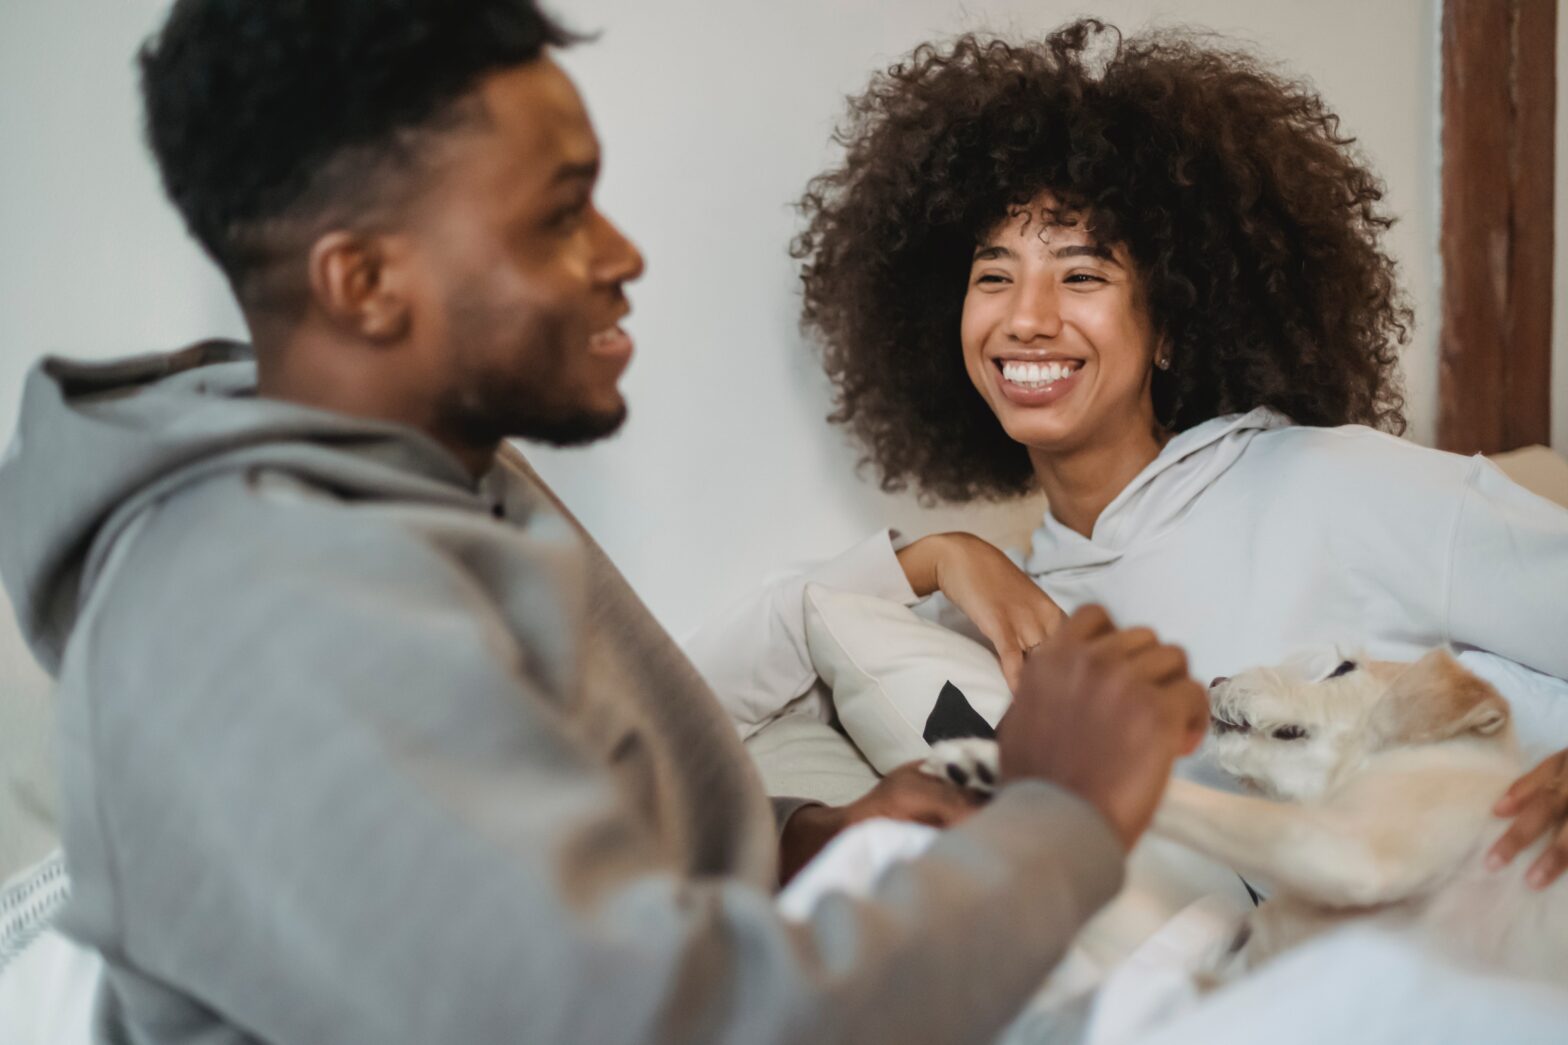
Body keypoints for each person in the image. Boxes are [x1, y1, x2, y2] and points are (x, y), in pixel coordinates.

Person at [0, 3, 1212, 1042]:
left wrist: (800, 841)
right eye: (559, 215)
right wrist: (1064, 816)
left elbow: (533, 871)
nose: (621, 255)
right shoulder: (258, 620)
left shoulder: (435, 470)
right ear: (363, 283)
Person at [687, 21, 1568, 889]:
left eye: (1082, 274)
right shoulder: (999, 620)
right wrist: (935, 557)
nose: (1025, 317)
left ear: (1171, 330)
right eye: (994, 275)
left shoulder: (1337, 485)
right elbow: (691, 707)